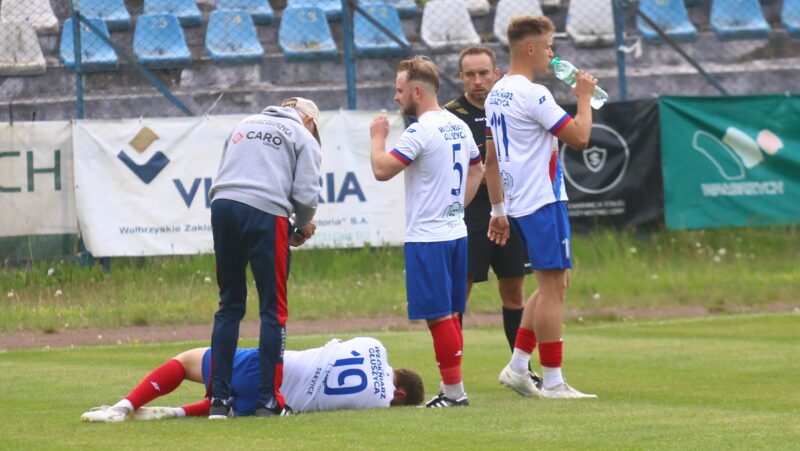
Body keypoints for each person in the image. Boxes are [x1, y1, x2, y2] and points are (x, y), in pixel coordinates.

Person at [483, 15, 598, 399]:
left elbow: (492, 159)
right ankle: (552, 380)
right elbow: (580, 137)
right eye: (548, 47)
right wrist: (584, 97)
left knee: (554, 283)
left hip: (519, 201)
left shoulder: (497, 92)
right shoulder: (534, 94)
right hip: (543, 200)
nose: (552, 55)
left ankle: (518, 366)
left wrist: (498, 208)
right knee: (552, 289)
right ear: (530, 48)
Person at [369, 56, 484, 408]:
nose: (395, 97)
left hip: (428, 237)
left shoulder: (420, 130)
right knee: (451, 314)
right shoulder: (457, 124)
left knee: (438, 317)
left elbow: (382, 170)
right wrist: (456, 206)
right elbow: (477, 169)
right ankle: (452, 388)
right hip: (456, 232)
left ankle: (454, 393)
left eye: (399, 90)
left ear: (417, 92)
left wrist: (378, 138)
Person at [206, 97, 323, 418]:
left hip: (223, 206)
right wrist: (301, 226)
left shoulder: (243, 124)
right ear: (309, 121)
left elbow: (226, 172)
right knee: (273, 309)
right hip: (266, 213)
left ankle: (218, 401)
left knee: (229, 305)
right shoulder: (303, 137)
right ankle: (268, 401)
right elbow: (306, 196)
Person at [444, 45, 537, 374]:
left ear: (496, 74)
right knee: (461, 292)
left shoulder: (511, 106)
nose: (477, 81)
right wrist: (480, 175)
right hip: (469, 211)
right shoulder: (449, 116)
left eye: (483, 73)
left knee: (514, 290)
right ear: (460, 77)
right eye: (470, 74)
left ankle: (521, 369)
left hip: (511, 208)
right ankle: (452, 375)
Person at [80, 337, 425, 422]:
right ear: (399, 394)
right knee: (227, 404)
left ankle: (123, 407)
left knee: (185, 362)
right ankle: (176, 413)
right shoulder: (379, 404)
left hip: (268, 367)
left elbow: (333, 347)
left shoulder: (374, 345)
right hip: (270, 405)